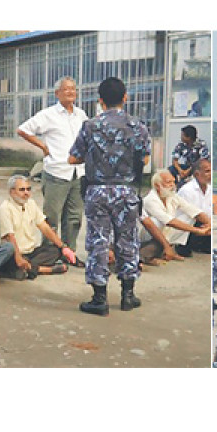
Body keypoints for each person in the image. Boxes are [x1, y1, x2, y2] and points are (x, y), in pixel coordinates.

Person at [68, 77, 151, 316]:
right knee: (128, 241)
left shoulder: (90, 126)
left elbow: (73, 158)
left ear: (100, 101)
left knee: (98, 242)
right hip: (126, 191)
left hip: (98, 191)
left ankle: (99, 298)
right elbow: (144, 159)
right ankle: (127, 295)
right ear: (125, 98)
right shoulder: (138, 126)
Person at [17, 77, 88, 254]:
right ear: (57, 93)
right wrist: (42, 146)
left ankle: (69, 252)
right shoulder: (48, 114)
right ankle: (50, 253)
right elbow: (23, 130)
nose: (71, 92)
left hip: (78, 173)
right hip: (57, 172)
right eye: (66, 89)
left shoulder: (81, 115)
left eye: (73, 89)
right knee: (52, 217)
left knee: (74, 217)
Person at [0, 174, 75, 281]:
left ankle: (28, 269)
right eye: (22, 190)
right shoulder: (5, 208)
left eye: (28, 189)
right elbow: (9, 237)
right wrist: (18, 258)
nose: (26, 193)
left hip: (32, 252)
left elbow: (44, 227)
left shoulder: (31, 203)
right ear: (12, 192)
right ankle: (44, 269)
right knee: (14, 263)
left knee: (55, 251)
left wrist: (63, 247)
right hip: (15, 253)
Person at [139, 170, 211, 262]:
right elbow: (169, 222)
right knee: (156, 221)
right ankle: (159, 251)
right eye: (169, 182)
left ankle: (169, 249)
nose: (173, 185)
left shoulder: (172, 196)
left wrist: (209, 224)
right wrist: (198, 230)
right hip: (151, 234)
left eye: (173, 181)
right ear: (157, 185)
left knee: (189, 216)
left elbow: (193, 210)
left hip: (166, 233)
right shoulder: (150, 200)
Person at [175, 158, 212, 254]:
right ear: (196, 174)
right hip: (191, 225)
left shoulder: (210, 189)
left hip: (206, 225)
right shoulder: (187, 190)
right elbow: (194, 214)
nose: (211, 174)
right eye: (207, 171)